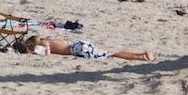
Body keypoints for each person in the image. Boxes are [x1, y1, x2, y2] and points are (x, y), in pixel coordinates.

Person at [12, 34, 155, 62]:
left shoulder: (43, 44)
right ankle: (140, 54)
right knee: (111, 52)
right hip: (78, 44)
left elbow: (48, 53)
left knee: (113, 55)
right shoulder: (47, 39)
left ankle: (142, 56)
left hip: (77, 50)